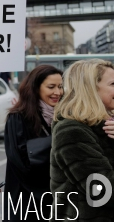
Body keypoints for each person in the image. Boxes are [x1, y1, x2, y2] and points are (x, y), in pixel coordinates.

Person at [50, 59, 114, 222]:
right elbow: (102, 190)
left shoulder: (104, 123)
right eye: (113, 84)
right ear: (90, 89)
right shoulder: (72, 130)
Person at [3, 65, 63, 221]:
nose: (57, 92)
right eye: (51, 87)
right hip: (26, 201)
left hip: (54, 199)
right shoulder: (18, 118)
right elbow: (22, 161)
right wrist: (62, 140)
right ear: (36, 88)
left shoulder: (62, 116)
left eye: (60, 87)